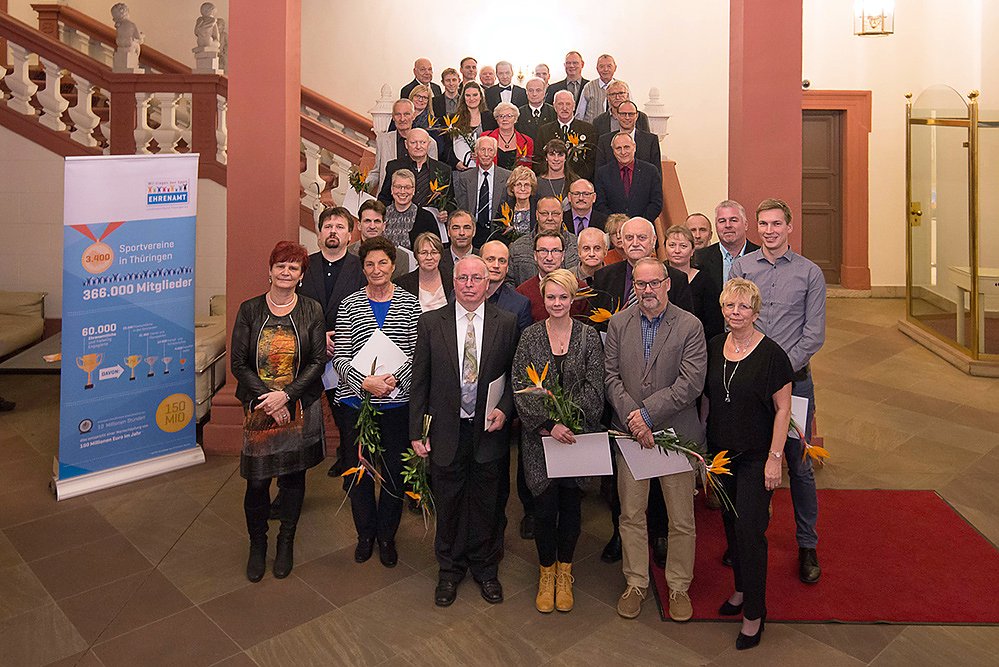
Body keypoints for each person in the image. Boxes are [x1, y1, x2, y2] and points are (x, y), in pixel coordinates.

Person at [410, 256, 518, 607]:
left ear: (488, 283)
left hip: (489, 429)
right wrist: (417, 430)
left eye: (476, 278)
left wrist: (505, 410)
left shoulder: (507, 322)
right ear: (453, 282)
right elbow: (420, 380)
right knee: (450, 502)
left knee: (488, 502)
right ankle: (450, 570)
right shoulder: (431, 323)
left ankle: (486, 569)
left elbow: (515, 377)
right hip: (446, 430)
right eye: (463, 278)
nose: (469, 284)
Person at [730, 198, 826, 585]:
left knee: (798, 465)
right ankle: (746, 535)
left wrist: (778, 372)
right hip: (750, 386)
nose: (769, 231)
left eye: (776, 224)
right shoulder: (742, 268)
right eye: (764, 224)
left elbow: (813, 334)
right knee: (750, 459)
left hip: (795, 382)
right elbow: (734, 316)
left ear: (789, 227)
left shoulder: (810, 273)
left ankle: (807, 544)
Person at [605, 257, 706, 622]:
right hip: (631, 436)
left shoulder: (690, 325)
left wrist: (647, 415)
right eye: (640, 284)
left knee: (681, 519)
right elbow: (610, 377)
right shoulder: (618, 323)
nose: (647, 290)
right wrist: (635, 419)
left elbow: (691, 383)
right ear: (634, 286)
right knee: (631, 514)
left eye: (654, 283)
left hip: (676, 435)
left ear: (667, 284)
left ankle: (678, 586)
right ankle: (635, 582)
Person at [705, 277, 793, 650]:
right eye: (729, 306)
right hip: (722, 455)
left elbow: (783, 409)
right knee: (730, 524)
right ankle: (741, 589)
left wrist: (775, 458)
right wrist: (704, 454)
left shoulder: (772, 355)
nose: (735, 312)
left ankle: (755, 614)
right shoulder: (714, 347)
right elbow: (708, 400)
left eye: (743, 307)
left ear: (756, 313)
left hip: (757, 456)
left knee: (750, 532)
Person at [231, 241, 326, 583]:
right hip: (259, 407)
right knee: (257, 482)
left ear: (301, 276)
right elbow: (238, 363)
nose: (286, 272)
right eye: (280, 266)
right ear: (269, 271)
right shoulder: (250, 310)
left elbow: (317, 361)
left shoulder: (312, 309)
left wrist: (286, 396)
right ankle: (258, 545)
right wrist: (268, 400)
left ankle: (286, 542)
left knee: (292, 479)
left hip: (299, 404)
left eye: (293, 268)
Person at [513, 269, 604, 613]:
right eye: (550, 297)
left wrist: (571, 422)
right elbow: (520, 385)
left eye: (563, 297)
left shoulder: (589, 336)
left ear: (573, 298)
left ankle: (565, 572)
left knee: (571, 507)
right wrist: (550, 424)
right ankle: (546, 572)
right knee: (544, 508)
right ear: (543, 297)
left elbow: (596, 386)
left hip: (576, 440)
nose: (556, 303)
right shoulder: (530, 336)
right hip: (541, 439)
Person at [332, 236, 421, 569]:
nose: (376, 269)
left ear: (393, 266)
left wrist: (393, 380)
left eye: (383, 262)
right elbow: (340, 357)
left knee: (395, 474)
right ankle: (365, 535)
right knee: (360, 473)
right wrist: (365, 382)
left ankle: (386, 536)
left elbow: (417, 354)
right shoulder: (349, 305)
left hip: (397, 405)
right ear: (363, 268)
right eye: (369, 264)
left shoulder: (410, 304)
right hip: (357, 405)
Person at [299, 208, 366, 479]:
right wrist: (319, 338)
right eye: (328, 226)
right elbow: (295, 309)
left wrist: (339, 339)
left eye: (339, 227)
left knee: (348, 421)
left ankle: (351, 471)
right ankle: (292, 486)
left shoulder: (361, 268)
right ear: (319, 234)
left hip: (348, 356)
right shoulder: (303, 266)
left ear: (350, 235)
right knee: (302, 422)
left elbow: (366, 313)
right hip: (309, 356)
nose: (333, 232)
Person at [591, 218, 691, 319]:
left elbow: (685, 321)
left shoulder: (676, 278)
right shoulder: (603, 276)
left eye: (642, 237)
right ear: (622, 242)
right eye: (629, 238)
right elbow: (596, 322)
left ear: (653, 240)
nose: (635, 243)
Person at [665, 224, 725, 341]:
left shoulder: (705, 280)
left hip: (699, 341)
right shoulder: (657, 278)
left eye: (683, 246)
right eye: (672, 245)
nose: (677, 250)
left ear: (692, 250)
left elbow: (714, 323)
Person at [515, 230, 589, 323]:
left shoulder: (581, 289)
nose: (549, 258)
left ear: (563, 255)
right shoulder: (522, 293)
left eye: (555, 251)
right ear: (535, 255)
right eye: (543, 251)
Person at [508, 197, 579, 288]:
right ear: (537, 215)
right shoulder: (518, 247)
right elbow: (509, 282)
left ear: (562, 215)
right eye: (544, 213)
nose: (550, 218)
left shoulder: (577, 245)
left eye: (555, 214)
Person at [368, 99, 439, 191]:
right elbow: (377, 171)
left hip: (417, 196)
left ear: (413, 116)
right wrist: (362, 187)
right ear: (393, 117)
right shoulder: (382, 140)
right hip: (388, 195)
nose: (402, 119)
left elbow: (433, 174)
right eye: (398, 114)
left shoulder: (429, 142)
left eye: (406, 114)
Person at [452, 136, 511, 248]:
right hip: (473, 232)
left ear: (495, 153)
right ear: (476, 152)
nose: (486, 154)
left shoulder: (507, 176)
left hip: (498, 232)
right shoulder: (465, 178)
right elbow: (462, 207)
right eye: (482, 150)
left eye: (490, 150)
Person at [378, 128, 450, 213]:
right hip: (400, 217)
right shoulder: (394, 167)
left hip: (432, 219)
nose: (418, 146)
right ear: (406, 144)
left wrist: (445, 212)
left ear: (429, 144)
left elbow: (450, 201)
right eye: (413, 143)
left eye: (422, 142)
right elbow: (384, 198)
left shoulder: (443, 169)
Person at [594, 133, 662, 222]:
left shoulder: (650, 171)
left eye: (626, 147)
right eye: (618, 148)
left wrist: (639, 223)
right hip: (613, 227)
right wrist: (616, 223)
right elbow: (600, 204)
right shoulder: (603, 173)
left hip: (643, 226)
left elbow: (656, 203)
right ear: (613, 151)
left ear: (634, 147)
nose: (623, 152)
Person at [535, 91, 597, 182]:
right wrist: (552, 177)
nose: (564, 108)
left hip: (579, 182)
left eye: (568, 104)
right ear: (554, 106)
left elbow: (591, 160)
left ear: (574, 106)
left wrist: (575, 180)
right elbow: (538, 159)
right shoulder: (544, 131)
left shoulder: (588, 129)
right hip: (551, 181)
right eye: (560, 104)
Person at [348, 199, 413, 280]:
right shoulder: (347, 253)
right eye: (367, 221)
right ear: (359, 225)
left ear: (384, 226)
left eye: (377, 221)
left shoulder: (401, 257)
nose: (372, 226)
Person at [595, 100, 661, 174]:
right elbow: (599, 173)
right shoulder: (604, 141)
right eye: (623, 114)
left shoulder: (651, 141)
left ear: (637, 116)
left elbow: (657, 173)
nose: (627, 117)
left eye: (631, 114)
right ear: (617, 115)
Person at [383, 169, 439, 251]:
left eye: (407, 187)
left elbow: (436, 249)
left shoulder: (426, 218)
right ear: (392, 189)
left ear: (413, 190)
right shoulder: (382, 214)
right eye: (398, 187)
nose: (402, 191)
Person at [396, 231, 453, 312]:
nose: (429, 257)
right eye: (423, 253)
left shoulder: (452, 280)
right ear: (416, 255)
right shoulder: (402, 284)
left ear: (441, 255)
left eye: (434, 252)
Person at [452, 82, 498, 169]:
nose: (471, 98)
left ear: (481, 96)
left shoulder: (490, 117)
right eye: (468, 95)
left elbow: (495, 143)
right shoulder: (455, 118)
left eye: (475, 95)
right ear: (463, 98)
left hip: (485, 167)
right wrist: (456, 163)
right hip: (461, 167)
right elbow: (448, 146)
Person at [483, 102, 534, 171]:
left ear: (515, 119)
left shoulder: (527, 141)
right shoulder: (486, 137)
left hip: (516, 177)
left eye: (509, 116)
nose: (504, 119)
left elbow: (527, 168)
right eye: (501, 116)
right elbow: (480, 163)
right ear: (496, 119)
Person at [576, 53, 617, 123]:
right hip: (592, 128)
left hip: (616, 128)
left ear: (615, 68)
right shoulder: (588, 87)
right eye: (601, 66)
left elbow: (630, 110)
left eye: (609, 66)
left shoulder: (623, 88)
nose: (605, 69)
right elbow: (580, 115)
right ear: (597, 68)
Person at [516, 77, 557, 142]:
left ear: (544, 92)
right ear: (526, 92)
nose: (534, 94)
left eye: (538, 90)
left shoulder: (553, 112)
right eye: (531, 90)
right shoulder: (518, 113)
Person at [501, 165, 538, 236]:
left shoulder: (538, 207)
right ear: (512, 188)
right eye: (518, 184)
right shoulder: (504, 208)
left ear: (532, 188)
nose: (523, 189)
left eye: (526, 185)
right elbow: (498, 234)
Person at [535, 139, 573, 206]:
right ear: (546, 157)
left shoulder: (574, 181)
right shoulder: (536, 183)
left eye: (560, 155)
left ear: (565, 158)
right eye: (552, 154)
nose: (556, 159)